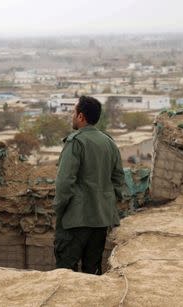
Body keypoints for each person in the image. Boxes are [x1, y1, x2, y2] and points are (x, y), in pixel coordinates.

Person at [54, 95, 125, 275]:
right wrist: (106, 203)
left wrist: (60, 209)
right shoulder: (109, 143)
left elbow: (64, 183)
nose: (72, 116)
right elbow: (118, 180)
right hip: (100, 221)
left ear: (81, 117)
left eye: (73, 112)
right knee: (92, 273)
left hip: (75, 221)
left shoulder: (76, 142)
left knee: (65, 273)